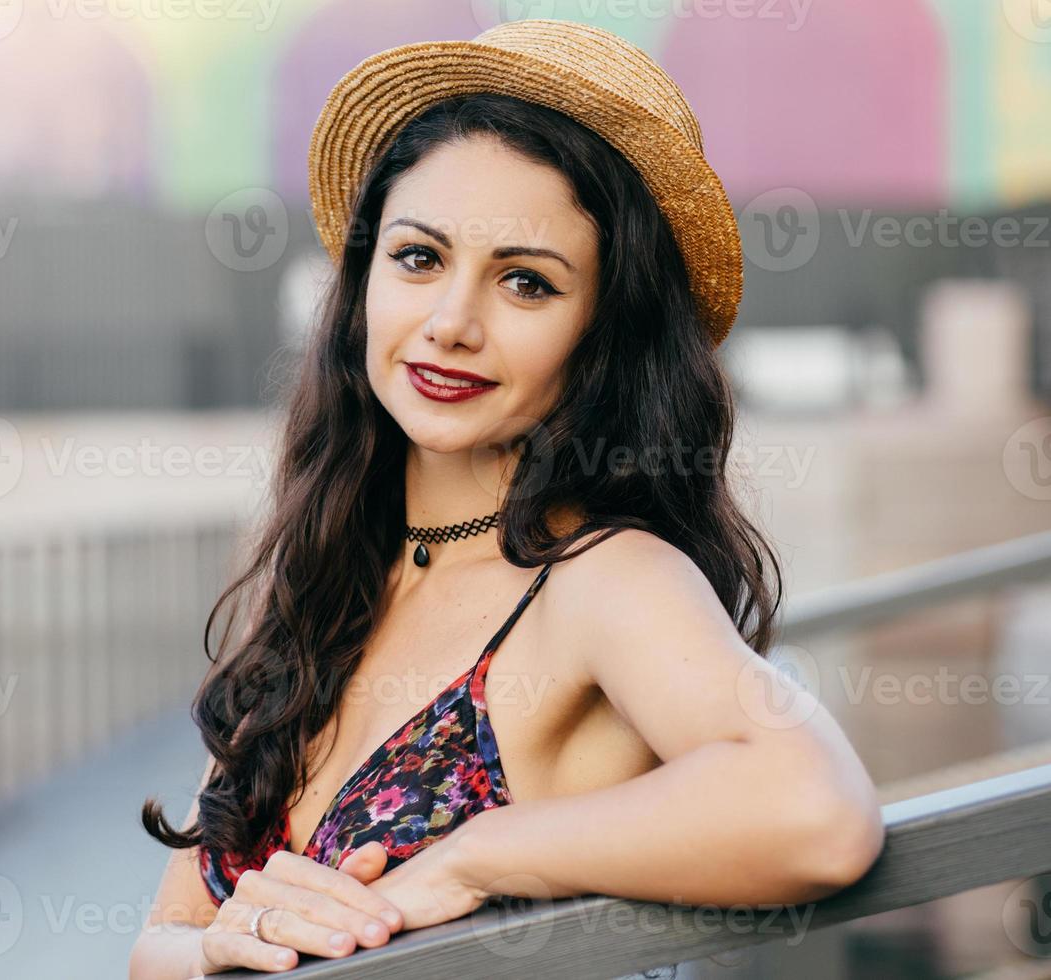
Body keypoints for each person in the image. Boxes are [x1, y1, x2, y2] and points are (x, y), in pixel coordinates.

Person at [131, 19, 884, 979]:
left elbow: (817, 814)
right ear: (362, 285)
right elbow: (162, 937)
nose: (451, 323)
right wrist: (216, 952)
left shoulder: (603, 577)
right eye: (418, 258)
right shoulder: (327, 576)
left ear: (601, 333)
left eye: (525, 282)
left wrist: (475, 859)